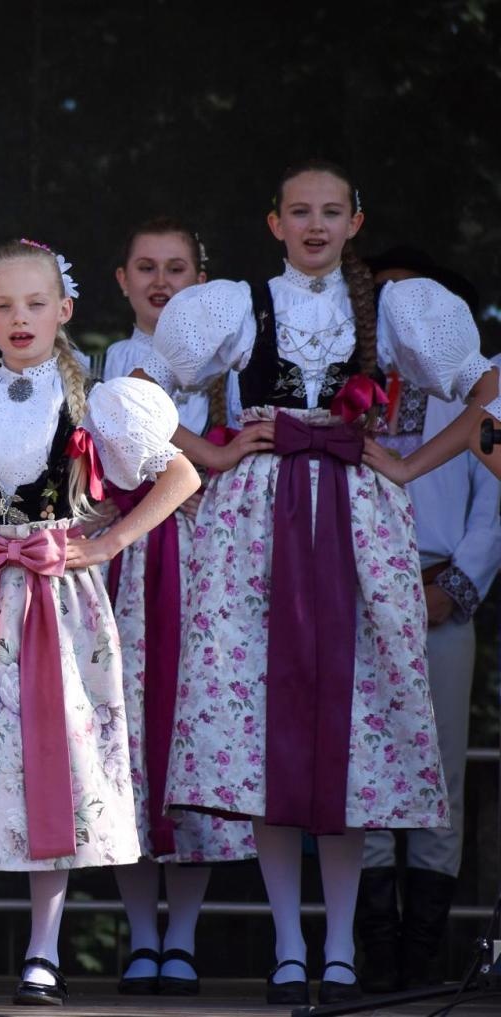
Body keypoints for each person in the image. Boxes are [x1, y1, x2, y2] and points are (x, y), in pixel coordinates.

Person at [145, 160, 484, 1006]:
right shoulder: (234, 305)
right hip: (257, 526)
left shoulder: (397, 308)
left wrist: (409, 463)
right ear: (275, 223)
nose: (316, 225)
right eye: (300, 212)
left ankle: (338, 946)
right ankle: (290, 945)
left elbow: (486, 388)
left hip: (356, 522)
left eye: (332, 212)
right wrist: (215, 452)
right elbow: (141, 387)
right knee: (269, 726)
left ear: (356, 220)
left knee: (351, 726)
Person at [0, 239, 197, 1007]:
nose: (21, 318)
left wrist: (112, 539)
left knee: (51, 767)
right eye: (5, 305)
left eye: (35, 303)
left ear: (65, 311)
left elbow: (181, 472)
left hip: (59, 605)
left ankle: (44, 951)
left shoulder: (98, 397)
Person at [100, 219, 253, 997]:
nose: (162, 280)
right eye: (146, 267)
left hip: (220, 569)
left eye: (178, 267)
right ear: (121, 279)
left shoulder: (235, 361)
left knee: (198, 731)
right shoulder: (113, 364)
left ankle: (183, 934)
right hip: (134, 563)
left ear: (203, 277)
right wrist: (214, 449)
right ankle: (142, 931)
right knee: (131, 734)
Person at [354, 248, 501, 993]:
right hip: (363, 602)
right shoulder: (356, 393)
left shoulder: (473, 391)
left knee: (440, 772)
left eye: (417, 305)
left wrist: (458, 587)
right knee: (367, 772)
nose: (401, 319)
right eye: (386, 306)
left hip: (444, 596)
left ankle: (424, 963)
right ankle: (378, 959)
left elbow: (489, 507)